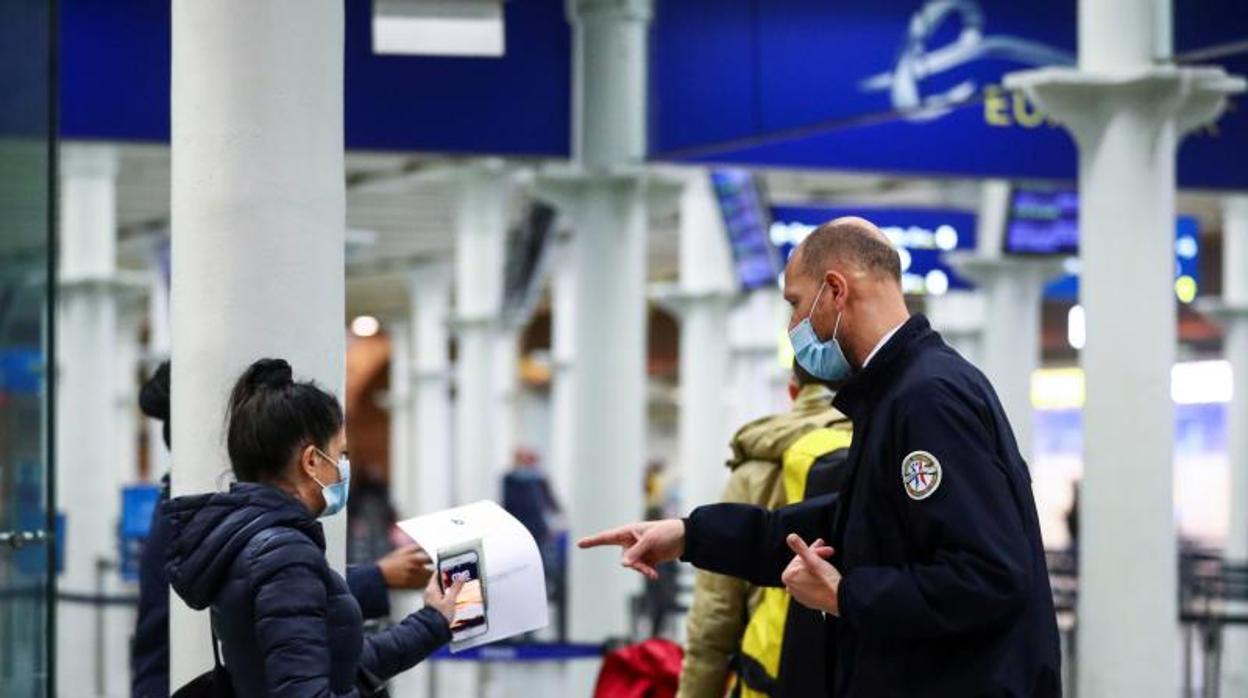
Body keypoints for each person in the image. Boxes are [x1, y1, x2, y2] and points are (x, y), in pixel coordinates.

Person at [581, 217, 1061, 697]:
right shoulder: (895, 394)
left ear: (834, 290)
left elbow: (988, 574)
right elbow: (845, 527)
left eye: (794, 303)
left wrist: (844, 596)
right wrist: (691, 535)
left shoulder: (927, 398)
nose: (793, 326)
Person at [132, 362, 433, 698]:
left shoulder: (254, 542)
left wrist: (435, 621)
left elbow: (328, 661)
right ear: (311, 461)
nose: (345, 466)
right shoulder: (285, 556)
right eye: (341, 453)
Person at [680, 364, 850, 698]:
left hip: (770, 678)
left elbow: (716, 611)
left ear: (792, 390)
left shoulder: (757, 466)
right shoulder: (884, 451)